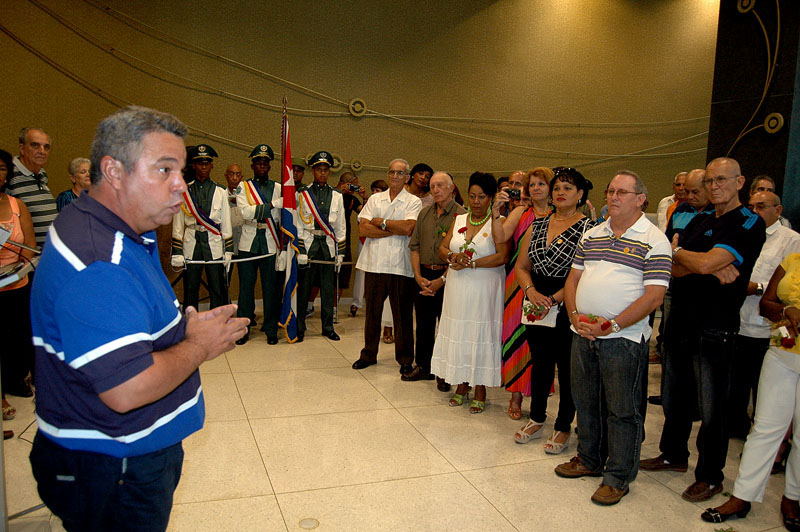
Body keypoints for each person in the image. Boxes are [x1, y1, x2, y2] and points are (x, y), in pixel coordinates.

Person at [28, 105, 248, 532]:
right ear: (113, 171)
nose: (181, 186)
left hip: (121, 454)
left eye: (180, 170)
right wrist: (199, 345)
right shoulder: (100, 261)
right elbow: (127, 389)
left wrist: (181, 329)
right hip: (114, 466)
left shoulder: (121, 228)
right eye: (164, 170)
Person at [640, 157, 766, 503]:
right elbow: (670, 267)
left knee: (714, 409)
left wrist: (689, 256)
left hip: (716, 325)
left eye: (722, 180)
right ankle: (673, 454)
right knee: (674, 397)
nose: (715, 187)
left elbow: (702, 261)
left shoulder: (749, 222)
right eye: (710, 181)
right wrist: (696, 261)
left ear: (740, 182)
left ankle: (710, 477)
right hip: (681, 319)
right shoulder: (701, 218)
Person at [555, 170, 671, 506]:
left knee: (623, 411)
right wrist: (576, 318)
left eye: (622, 192)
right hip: (584, 333)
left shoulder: (654, 239)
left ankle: (618, 476)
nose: (613, 197)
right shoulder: (592, 235)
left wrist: (613, 326)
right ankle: (589, 460)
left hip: (623, 339)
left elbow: (653, 297)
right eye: (610, 191)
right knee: (587, 402)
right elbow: (573, 281)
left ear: (641, 199)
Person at [699, 253, 800, 528]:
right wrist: (786, 311)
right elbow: (766, 304)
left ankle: (793, 497)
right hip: (783, 350)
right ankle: (742, 496)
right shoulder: (792, 260)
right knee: (765, 427)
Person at [511, 168, 595, 453]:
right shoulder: (538, 224)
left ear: (580, 194)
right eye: (557, 187)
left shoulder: (588, 228)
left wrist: (557, 298)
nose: (560, 192)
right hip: (536, 301)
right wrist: (531, 291)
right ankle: (536, 418)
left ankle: (562, 426)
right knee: (541, 362)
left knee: (568, 367)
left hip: (569, 301)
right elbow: (522, 266)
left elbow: (585, 272)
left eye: (568, 188)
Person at [431, 172, 510, 413]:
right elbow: (442, 248)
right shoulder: (459, 219)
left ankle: (481, 388)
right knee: (460, 331)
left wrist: (473, 263)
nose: (476, 201)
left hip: (484, 288)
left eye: (482, 197)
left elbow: (501, 256)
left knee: (480, 333)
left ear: (491, 198)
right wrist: (453, 256)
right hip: (458, 287)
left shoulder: (499, 221)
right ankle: (462, 385)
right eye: (472, 196)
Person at [727, 191, 800, 438]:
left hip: (776, 327)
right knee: (737, 381)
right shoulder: (743, 232)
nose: (755, 212)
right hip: (740, 321)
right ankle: (739, 428)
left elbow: (789, 287)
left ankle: (774, 438)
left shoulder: (791, 240)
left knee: (769, 388)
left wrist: (756, 288)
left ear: (778, 211)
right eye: (752, 207)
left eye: (762, 207)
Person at [493, 167, 553, 420]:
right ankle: (516, 395)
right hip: (517, 283)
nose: (536, 188)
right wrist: (495, 212)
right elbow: (501, 236)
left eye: (542, 184)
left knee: (542, 345)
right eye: (532, 184)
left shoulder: (560, 215)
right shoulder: (520, 212)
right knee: (517, 338)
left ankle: (539, 396)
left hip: (548, 285)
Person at [352, 159, 421, 375]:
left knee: (402, 316)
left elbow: (409, 227)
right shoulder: (375, 199)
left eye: (400, 173)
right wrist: (393, 227)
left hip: (400, 266)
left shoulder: (413, 201)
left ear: (407, 177)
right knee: (372, 313)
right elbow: (363, 229)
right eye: (392, 172)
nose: (395, 176)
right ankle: (368, 354)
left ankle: (405, 359)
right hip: (374, 264)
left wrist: (380, 222)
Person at [404, 171, 466, 388]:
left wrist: (442, 280)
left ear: (451, 188)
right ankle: (423, 366)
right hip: (423, 274)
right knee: (423, 324)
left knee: (447, 326)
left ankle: (445, 372)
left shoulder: (462, 216)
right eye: (432, 186)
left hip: (451, 275)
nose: (436, 190)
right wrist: (418, 276)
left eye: (441, 185)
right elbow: (415, 247)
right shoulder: (424, 213)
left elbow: (464, 253)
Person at [0, 148, 36, 437]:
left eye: (2, 168)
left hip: (16, 281)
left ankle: (14, 381)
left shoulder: (16, 205)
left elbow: (29, 244)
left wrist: (20, 268)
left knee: (19, 338)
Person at [171, 144, 233, 311]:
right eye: (200, 163)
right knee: (190, 288)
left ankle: (218, 324)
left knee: (217, 288)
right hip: (191, 243)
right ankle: (191, 325)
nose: (203, 166)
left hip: (214, 243)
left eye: (207, 162)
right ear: (194, 165)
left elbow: (226, 222)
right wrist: (177, 252)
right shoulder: (185, 191)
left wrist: (228, 250)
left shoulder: (221, 191)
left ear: (212, 165)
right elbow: (178, 223)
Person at [234, 144, 283, 345]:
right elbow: (245, 212)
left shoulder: (279, 187)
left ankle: (271, 329)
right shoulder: (243, 187)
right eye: (258, 163)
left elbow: (282, 216)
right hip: (248, 242)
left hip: (271, 242)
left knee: (271, 289)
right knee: (246, 289)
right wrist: (271, 205)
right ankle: (244, 329)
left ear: (269, 166)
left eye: (265, 162)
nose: (262, 166)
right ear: (252, 165)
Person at [296, 151, 346, 342]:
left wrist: (340, 253)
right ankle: (300, 326)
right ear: (313, 171)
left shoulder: (337, 196)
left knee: (327, 290)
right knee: (304, 290)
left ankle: (328, 327)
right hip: (309, 247)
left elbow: (340, 226)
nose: (323, 173)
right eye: (319, 170)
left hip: (327, 247)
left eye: (326, 170)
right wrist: (300, 250)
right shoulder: (303, 194)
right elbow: (298, 224)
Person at [6, 127, 57, 247]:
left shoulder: (42, 174)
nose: (42, 151)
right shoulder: (8, 173)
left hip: (45, 252)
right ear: (22, 148)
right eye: (35, 145)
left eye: (46, 147)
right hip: (25, 255)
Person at [335, 171, 367, 315]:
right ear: (345, 183)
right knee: (322, 275)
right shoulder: (332, 194)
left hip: (345, 241)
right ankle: (310, 305)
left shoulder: (352, 199)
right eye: (354, 185)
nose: (355, 188)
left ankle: (334, 307)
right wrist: (339, 192)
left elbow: (364, 213)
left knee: (342, 276)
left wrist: (364, 198)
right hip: (329, 239)